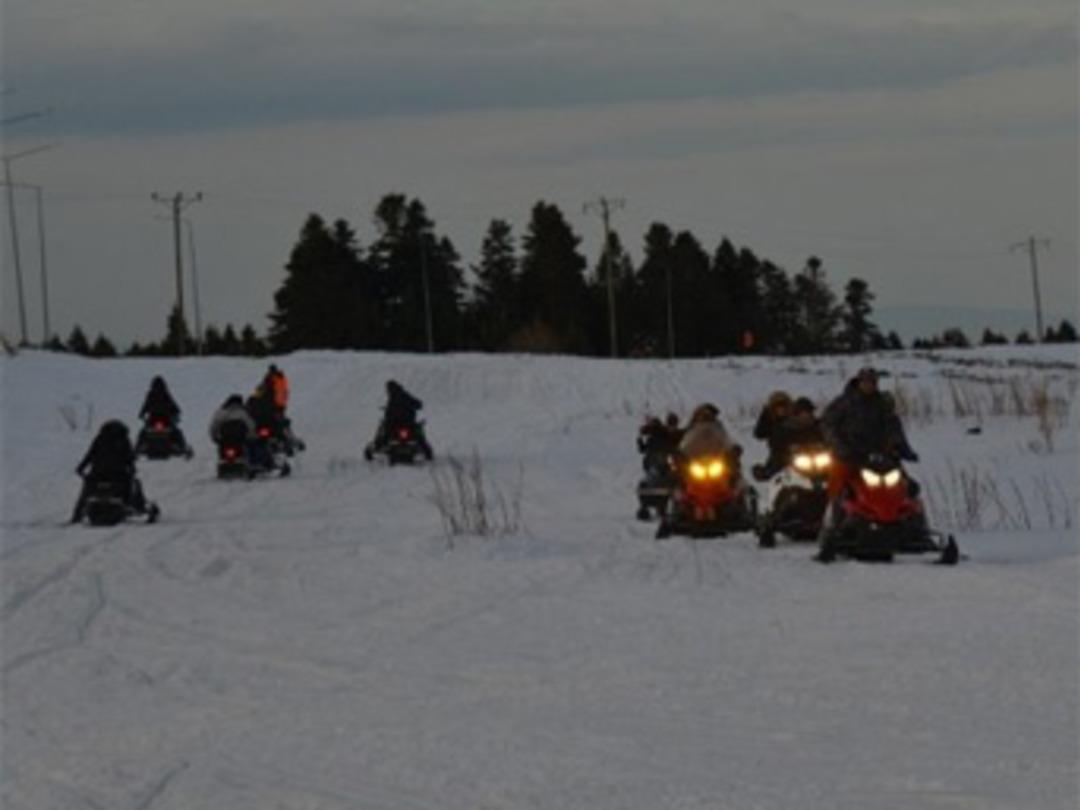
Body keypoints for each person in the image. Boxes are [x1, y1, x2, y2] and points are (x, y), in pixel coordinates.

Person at [70, 420, 149, 523]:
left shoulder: (99, 439)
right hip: (118, 475)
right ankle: (137, 507)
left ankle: (77, 514)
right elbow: (129, 457)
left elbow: (89, 455)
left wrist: (81, 468)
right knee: (134, 484)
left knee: (86, 491)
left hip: (97, 475)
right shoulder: (123, 440)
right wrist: (132, 468)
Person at [752, 395, 825, 481]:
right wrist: (788, 451)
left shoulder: (819, 425)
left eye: (809, 412)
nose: (806, 415)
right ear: (796, 414)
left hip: (818, 459)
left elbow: (829, 438)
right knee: (779, 474)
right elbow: (776, 445)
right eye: (802, 413)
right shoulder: (785, 428)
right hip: (792, 461)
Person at [136, 375, 191, 456]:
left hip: (154, 420)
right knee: (177, 432)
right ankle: (182, 447)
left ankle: (138, 448)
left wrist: (141, 414)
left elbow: (145, 406)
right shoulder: (165, 395)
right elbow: (174, 406)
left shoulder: (151, 395)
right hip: (164, 420)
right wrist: (176, 413)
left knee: (143, 433)